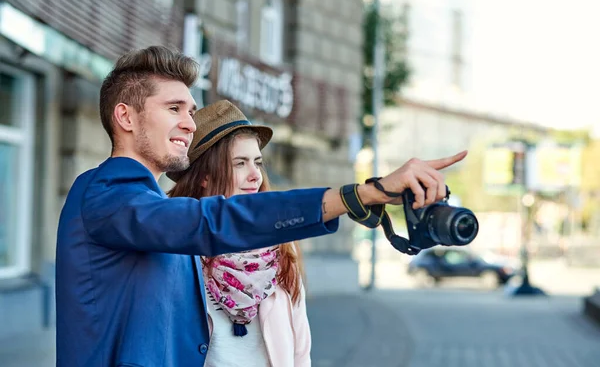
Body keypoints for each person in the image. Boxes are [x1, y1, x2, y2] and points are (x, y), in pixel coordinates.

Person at [55, 45, 467, 367]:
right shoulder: (105, 195)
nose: (189, 123)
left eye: (191, 111)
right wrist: (358, 195)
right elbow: (208, 221)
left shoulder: (151, 207)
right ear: (125, 117)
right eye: (173, 109)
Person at [168, 99, 310, 366]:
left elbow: (301, 351)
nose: (256, 175)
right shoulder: (178, 252)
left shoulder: (279, 248)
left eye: (257, 162)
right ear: (205, 176)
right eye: (240, 163)